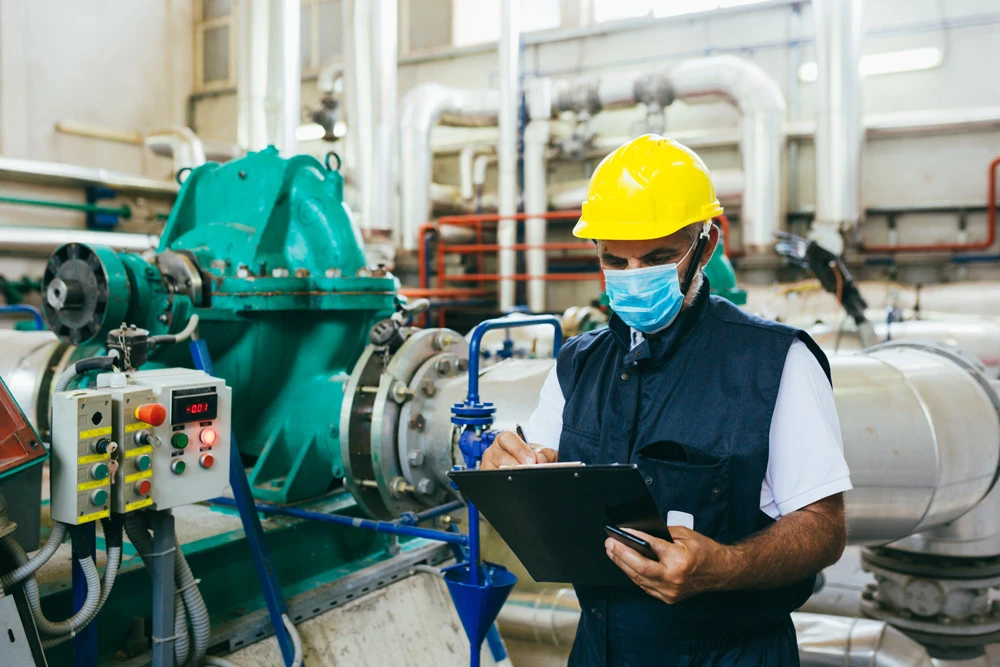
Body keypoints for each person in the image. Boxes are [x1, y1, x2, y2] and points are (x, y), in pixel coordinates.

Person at [480, 135, 851, 666]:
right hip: (600, 649)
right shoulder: (578, 364)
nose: (634, 278)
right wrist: (509, 470)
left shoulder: (773, 363)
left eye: (657, 257)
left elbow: (824, 527)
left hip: (728, 655)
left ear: (706, 244)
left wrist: (724, 565)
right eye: (615, 259)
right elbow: (540, 474)